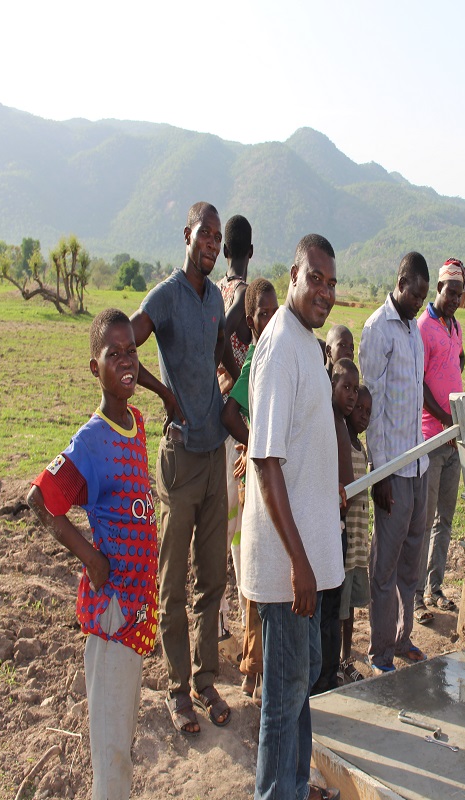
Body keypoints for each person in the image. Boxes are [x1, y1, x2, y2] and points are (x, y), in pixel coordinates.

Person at [27, 309, 158, 800]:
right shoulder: (92, 440)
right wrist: (92, 558)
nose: (126, 361)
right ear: (94, 367)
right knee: (111, 749)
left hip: (135, 607)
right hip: (113, 612)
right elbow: (41, 500)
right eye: (113, 354)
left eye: (131, 352)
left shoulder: (136, 424)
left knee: (122, 736)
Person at [241, 234, 343, 800]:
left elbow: (299, 444)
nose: (325, 292)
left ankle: (295, 788)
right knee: (282, 700)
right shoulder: (280, 345)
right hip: (288, 569)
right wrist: (300, 565)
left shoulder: (305, 341)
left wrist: (329, 485)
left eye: (332, 283)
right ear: (293, 276)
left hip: (306, 560)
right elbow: (265, 461)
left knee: (301, 681)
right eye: (316, 279)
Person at [130, 201, 235, 735]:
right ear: (187, 235)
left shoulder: (215, 297)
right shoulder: (165, 296)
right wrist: (164, 395)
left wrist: (240, 382)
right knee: (173, 583)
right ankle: (177, 688)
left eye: (218, 238)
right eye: (205, 235)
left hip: (215, 455)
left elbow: (220, 354)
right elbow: (124, 342)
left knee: (212, 577)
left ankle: (204, 678)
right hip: (179, 460)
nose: (212, 244)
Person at [360, 251, 430, 673]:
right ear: (400, 283)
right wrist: (380, 473)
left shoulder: (412, 330)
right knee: (384, 568)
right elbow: (373, 410)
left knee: (411, 562)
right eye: (415, 295)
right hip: (393, 472)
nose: (419, 303)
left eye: (423, 298)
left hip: (418, 466)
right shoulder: (378, 329)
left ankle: (403, 640)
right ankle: (380, 652)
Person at [221, 278, 279, 704]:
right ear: (250, 320)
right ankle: (253, 667)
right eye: (263, 314)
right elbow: (229, 413)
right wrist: (255, 442)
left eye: (276, 313)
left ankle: (261, 666)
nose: (271, 320)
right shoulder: (257, 358)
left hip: (275, 481)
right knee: (255, 576)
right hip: (257, 485)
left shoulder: (282, 353)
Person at [414, 257, 465, 624]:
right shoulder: (423, 326)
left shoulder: (455, 326)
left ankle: (435, 588)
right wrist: (445, 418)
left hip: (454, 440)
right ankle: (416, 595)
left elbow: (458, 361)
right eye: (451, 292)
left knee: (444, 520)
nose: (455, 300)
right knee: (424, 519)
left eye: (460, 294)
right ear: (438, 288)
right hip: (433, 438)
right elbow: (419, 383)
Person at [216, 214, 254, 642]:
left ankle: (225, 616)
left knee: (224, 525)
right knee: (237, 528)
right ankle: (240, 618)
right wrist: (234, 370)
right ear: (250, 251)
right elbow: (221, 336)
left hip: (215, 420)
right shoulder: (243, 296)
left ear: (225, 251)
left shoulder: (214, 290)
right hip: (236, 424)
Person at [312, 357, 358, 694]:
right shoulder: (327, 419)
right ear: (331, 386)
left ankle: (328, 677)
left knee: (331, 610)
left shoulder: (342, 421)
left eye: (355, 389)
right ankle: (319, 680)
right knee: (323, 611)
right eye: (346, 388)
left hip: (338, 528)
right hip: (325, 528)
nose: (352, 395)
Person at [339, 385, 373, 681]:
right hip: (345, 543)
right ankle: (335, 661)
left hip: (359, 545)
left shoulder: (362, 448)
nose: (363, 415)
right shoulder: (343, 448)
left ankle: (345, 658)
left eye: (368, 412)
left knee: (349, 608)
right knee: (339, 607)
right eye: (358, 408)